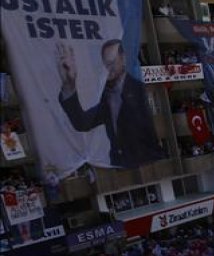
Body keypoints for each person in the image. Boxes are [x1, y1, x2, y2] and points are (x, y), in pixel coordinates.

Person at [56, 40, 166, 168]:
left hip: (146, 164)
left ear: (123, 59)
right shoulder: (106, 94)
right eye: (105, 64)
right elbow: (83, 123)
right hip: (120, 165)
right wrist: (69, 85)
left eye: (112, 62)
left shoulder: (138, 89)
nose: (109, 68)